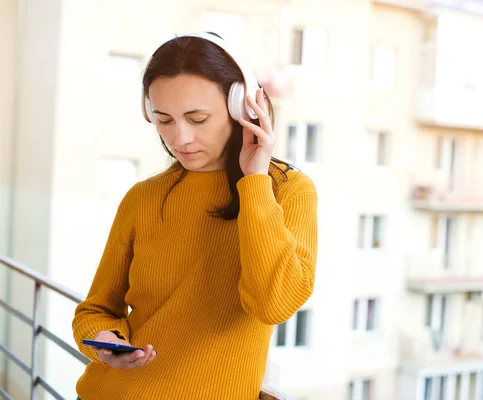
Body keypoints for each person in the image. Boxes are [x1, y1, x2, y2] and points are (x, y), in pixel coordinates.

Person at [72, 32, 318, 399]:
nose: (180, 139)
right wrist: (105, 343)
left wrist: (254, 182)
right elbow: (94, 310)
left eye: (197, 118)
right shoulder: (143, 198)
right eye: (164, 120)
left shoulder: (287, 191)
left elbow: (273, 304)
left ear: (242, 109)